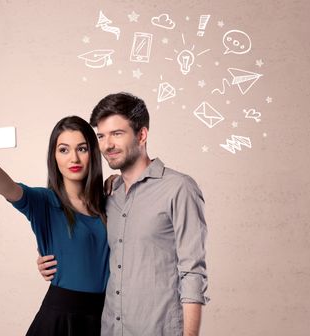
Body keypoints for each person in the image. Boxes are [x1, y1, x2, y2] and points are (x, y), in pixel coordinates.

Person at [38, 92, 209, 336]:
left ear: (142, 135)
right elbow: (91, 246)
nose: (107, 145)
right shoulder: (109, 196)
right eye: (101, 136)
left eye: (117, 134)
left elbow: (193, 273)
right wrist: (50, 261)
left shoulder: (178, 188)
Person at [0, 116, 110, 336]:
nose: (74, 158)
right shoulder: (45, 202)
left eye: (82, 149)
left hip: (105, 317)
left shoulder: (110, 203)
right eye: (64, 150)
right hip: (60, 319)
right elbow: (9, 189)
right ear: (54, 157)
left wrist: (119, 182)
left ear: (92, 153)